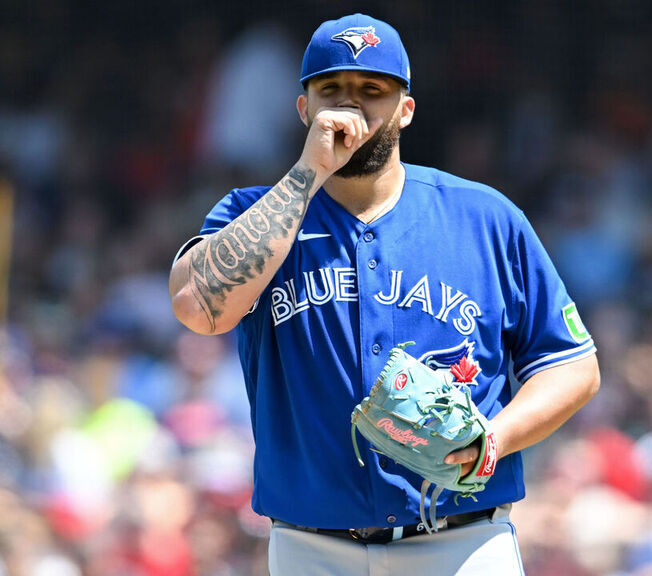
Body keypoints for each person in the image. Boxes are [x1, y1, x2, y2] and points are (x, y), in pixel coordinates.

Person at [169, 13, 600, 575]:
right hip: (312, 548)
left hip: (461, 541)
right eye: (332, 91)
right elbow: (197, 308)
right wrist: (308, 172)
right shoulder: (255, 214)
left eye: (372, 90)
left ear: (405, 109)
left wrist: (492, 440)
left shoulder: (485, 218)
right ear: (304, 109)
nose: (350, 108)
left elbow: (574, 367)